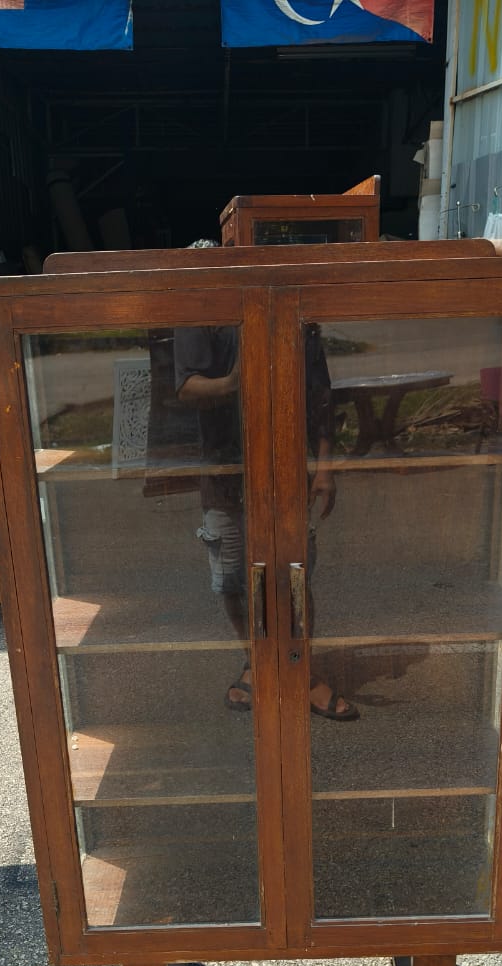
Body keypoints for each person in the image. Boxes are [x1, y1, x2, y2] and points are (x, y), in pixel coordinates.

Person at [173, 264, 357, 721]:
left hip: (287, 473)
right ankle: (256, 660)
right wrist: (233, 383)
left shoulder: (293, 308)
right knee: (238, 579)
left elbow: (320, 396)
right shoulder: (201, 309)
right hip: (225, 472)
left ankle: (300, 669)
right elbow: (185, 386)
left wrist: (325, 467)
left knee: (294, 576)